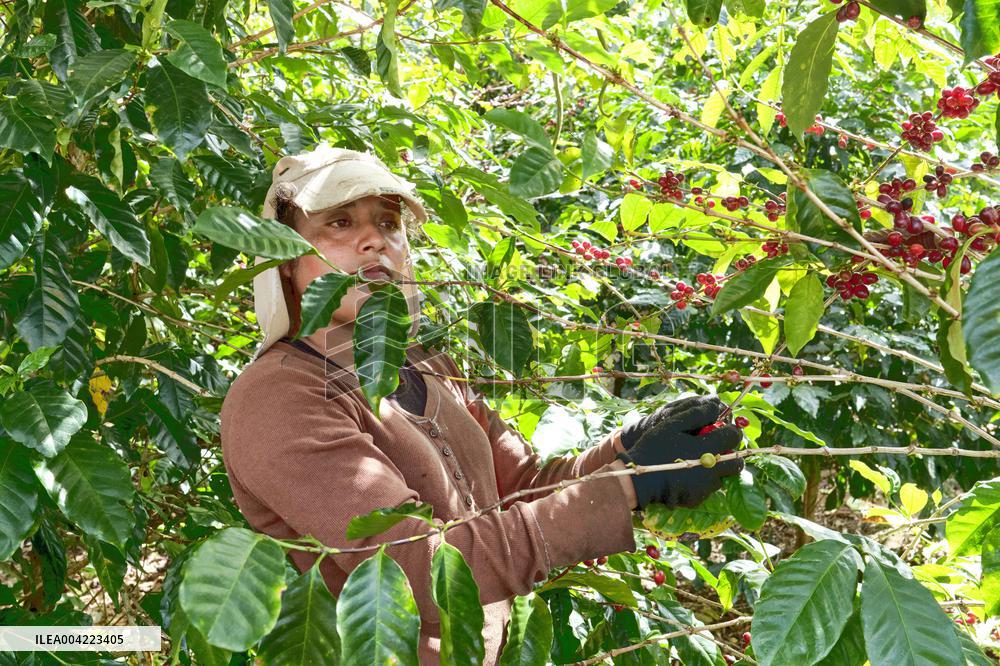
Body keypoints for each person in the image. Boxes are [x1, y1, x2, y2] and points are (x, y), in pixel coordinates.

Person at [219, 144, 743, 664]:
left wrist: (630, 447)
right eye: (338, 223)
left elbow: (523, 489)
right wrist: (630, 484)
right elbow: (422, 570)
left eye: (389, 222)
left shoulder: (426, 366)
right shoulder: (281, 396)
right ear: (286, 261)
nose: (374, 240)